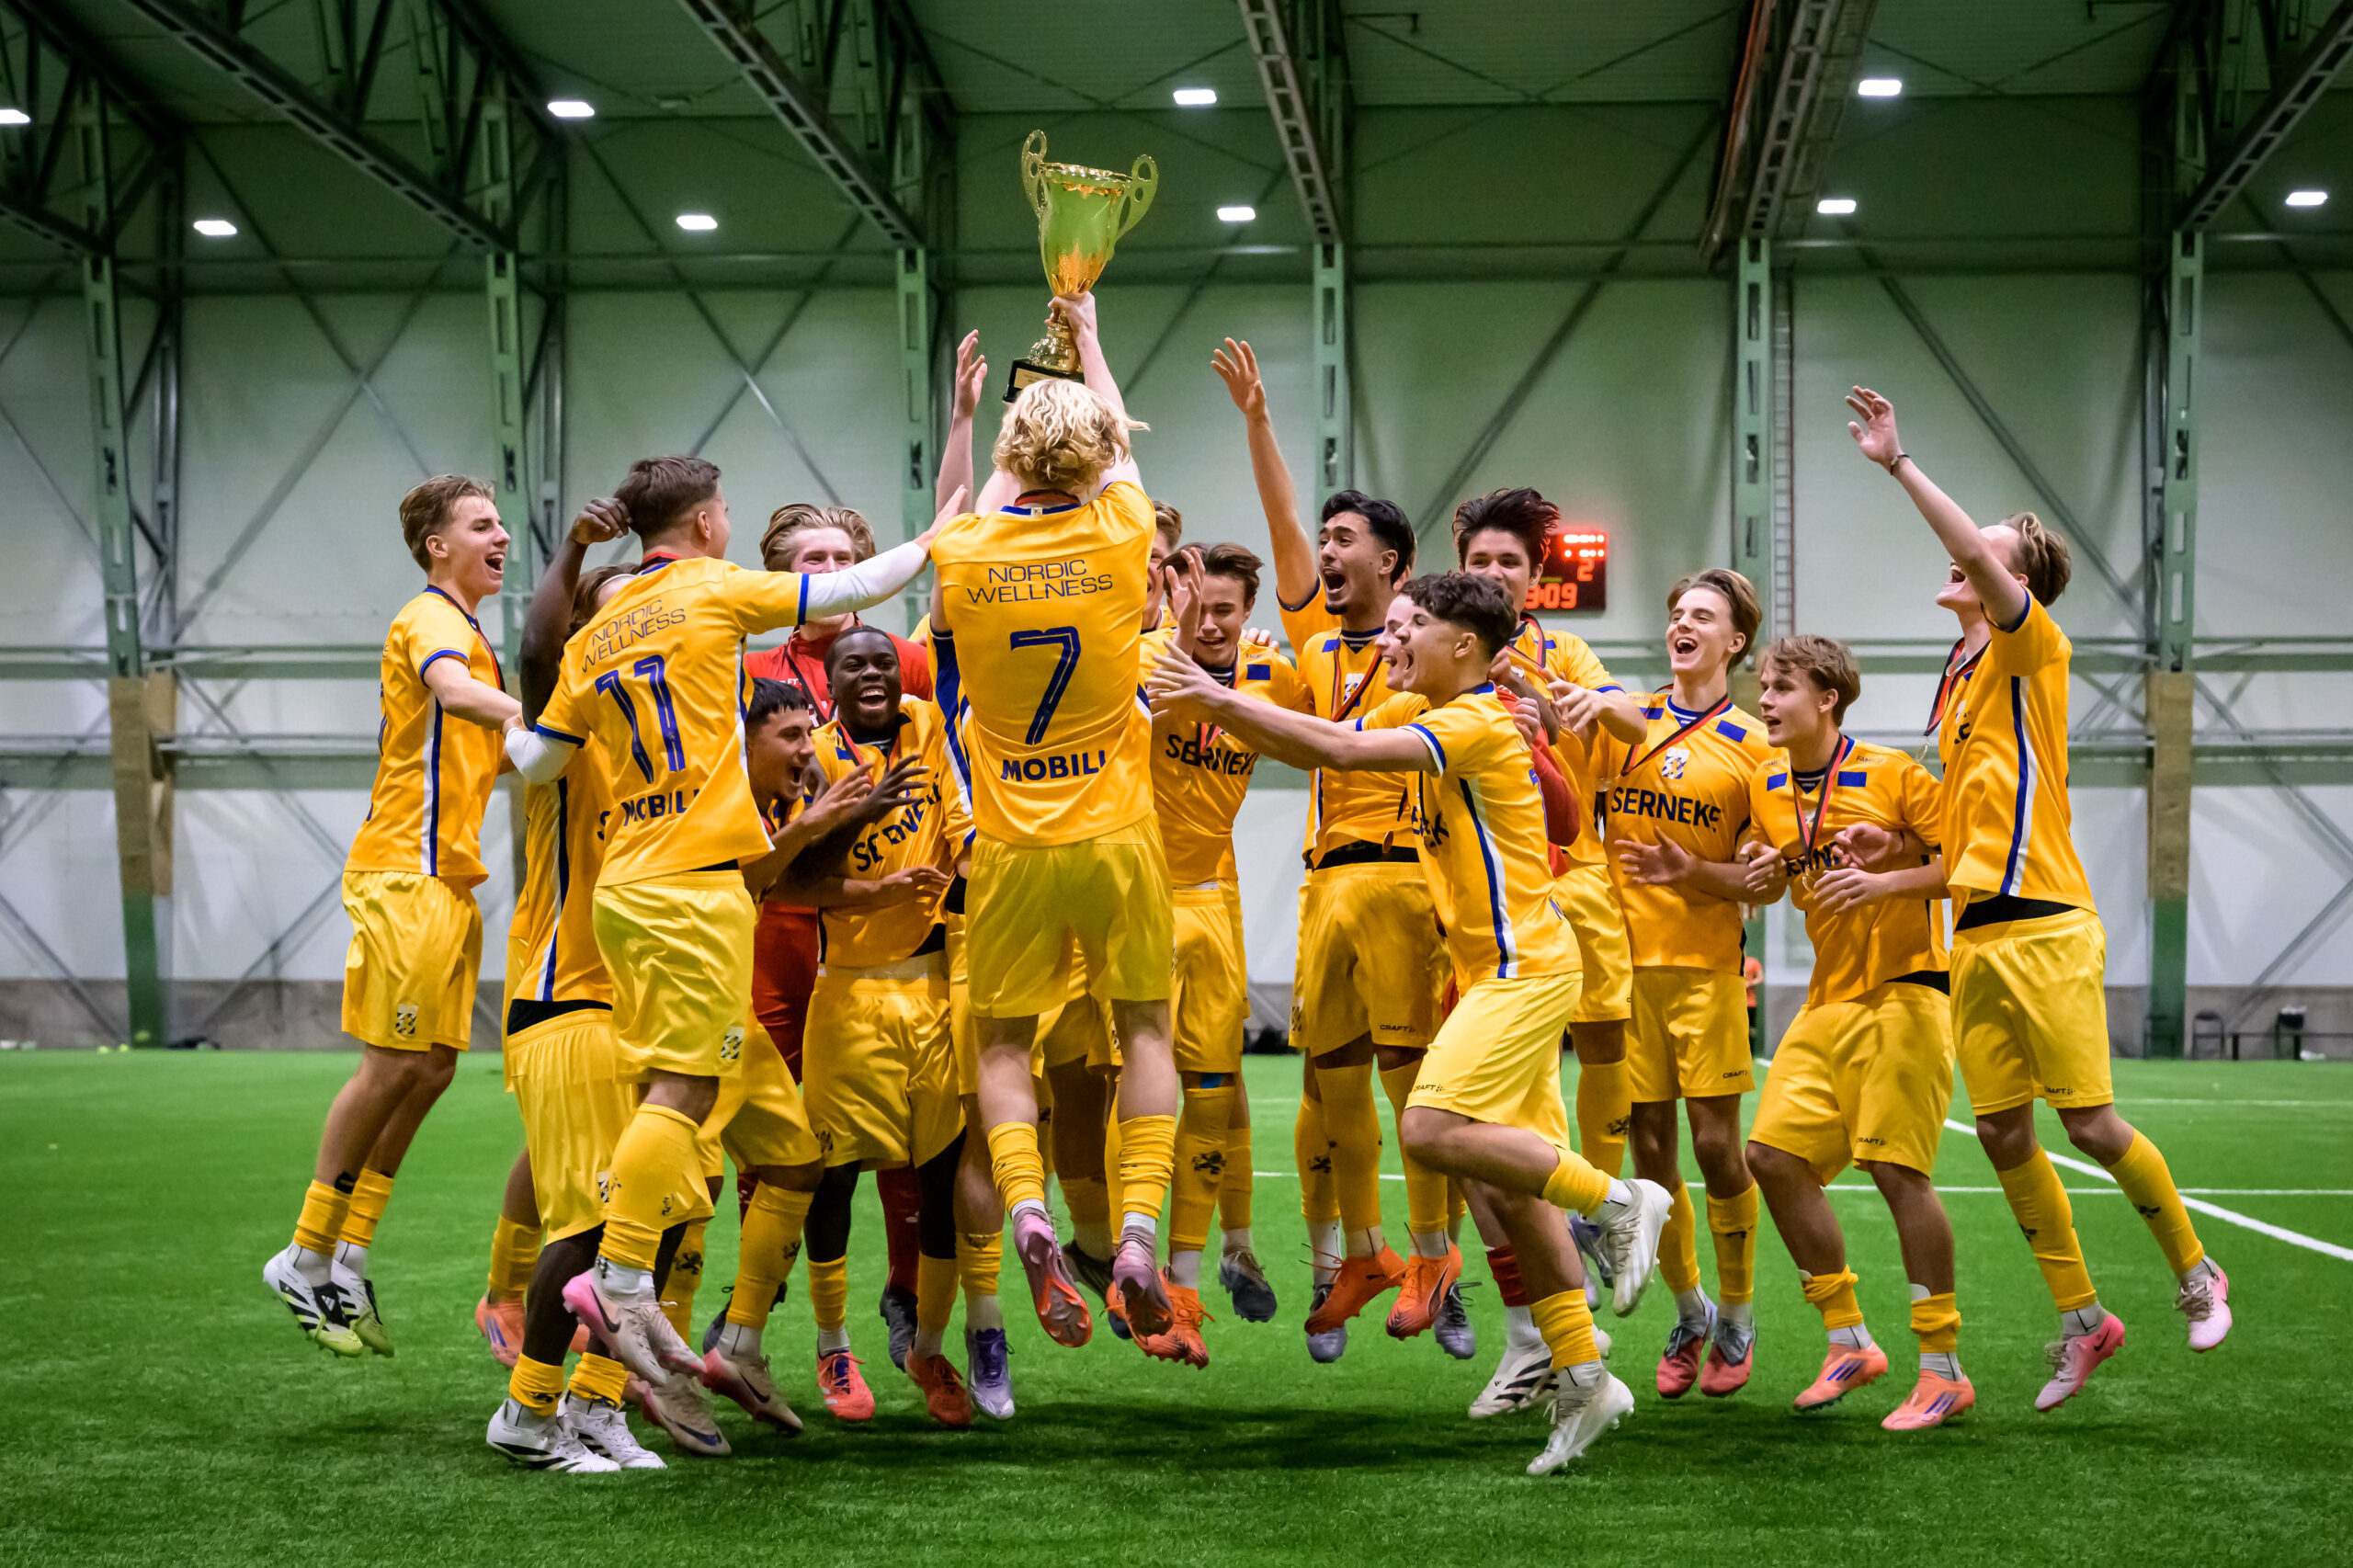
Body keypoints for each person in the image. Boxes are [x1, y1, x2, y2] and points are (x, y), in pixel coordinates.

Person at [1152, 571, 1671, 1476]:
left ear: (1462, 644)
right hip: (1494, 968)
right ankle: (1585, 1378)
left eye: (1412, 625)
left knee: (1428, 1129)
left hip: (1522, 966)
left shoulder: (1473, 718)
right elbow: (1324, 740)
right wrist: (1220, 699)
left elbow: (1342, 751)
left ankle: (1621, 1201)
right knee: (1513, 1187)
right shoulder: (1425, 704)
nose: (1393, 638)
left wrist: (1213, 697)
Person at [502, 455, 943, 1388]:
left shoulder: (598, 631)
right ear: (705, 523)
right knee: (685, 1095)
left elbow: (536, 760)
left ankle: (665, 1329)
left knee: (715, 1114)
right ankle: (618, 1278)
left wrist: (498, 724)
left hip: (624, 891)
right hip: (696, 885)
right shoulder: (710, 588)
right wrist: (947, 533)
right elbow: (858, 588)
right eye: (726, 511)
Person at [1845, 386, 2231, 1407]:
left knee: (2091, 1124)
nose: (1964, 555)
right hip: (1974, 935)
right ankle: (2083, 1320)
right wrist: (1890, 853)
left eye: (1986, 548)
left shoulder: (2028, 645)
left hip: (2049, 926)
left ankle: (2197, 1273)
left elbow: (1970, 552)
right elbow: (1961, 846)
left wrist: (1897, 462)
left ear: (2013, 580)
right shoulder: (1959, 682)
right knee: (2004, 1136)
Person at [927, 290, 1183, 1347]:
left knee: (1001, 1045)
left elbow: (957, 519)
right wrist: (1088, 338)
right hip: (1116, 833)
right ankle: (1136, 1232)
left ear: (1011, 457)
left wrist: (973, 420)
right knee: (1145, 1031)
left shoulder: (965, 553)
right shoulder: (1124, 532)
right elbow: (1117, 440)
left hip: (1011, 842)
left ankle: (1028, 1207)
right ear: (1095, 457)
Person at [1212, 335, 1450, 1363]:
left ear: (1391, 562)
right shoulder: (1314, 641)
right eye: (1326, 538)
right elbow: (1279, 528)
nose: (1325, 549)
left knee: (1416, 1091)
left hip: (1406, 883)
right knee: (1332, 1084)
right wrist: (1258, 422)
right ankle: (1356, 1256)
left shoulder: (1429, 643)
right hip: (1324, 889)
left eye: (1344, 537)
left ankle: (1435, 1261)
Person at [263, 475, 518, 1360]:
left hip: (448, 879)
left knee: (434, 1068)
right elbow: (456, 695)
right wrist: (545, 719)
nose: (502, 536)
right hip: (403, 872)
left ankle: (350, 1253)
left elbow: (486, 751)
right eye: (482, 524)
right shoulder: (432, 621)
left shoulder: (475, 635)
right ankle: (303, 1254)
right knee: (395, 1061)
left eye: (501, 523)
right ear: (436, 546)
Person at [1730, 635, 1972, 1429]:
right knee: (1771, 1157)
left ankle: (1943, 1368)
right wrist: (1756, 868)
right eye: (1764, 687)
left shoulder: (1896, 773)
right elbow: (1772, 870)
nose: (1766, 701)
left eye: (1781, 688)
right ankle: (1848, 1339)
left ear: (1827, 698)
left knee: (1898, 1172)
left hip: (1907, 991)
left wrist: (1886, 875)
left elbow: (1967, 865)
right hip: (1826, 999)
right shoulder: (1767, 783)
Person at [1452, 486, 1650, 1412]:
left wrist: (1571, 700)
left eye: (1510, 563)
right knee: (1469, 1123)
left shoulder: (1559, 651)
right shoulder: (1444, 646)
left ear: (1535, 580)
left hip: (1564, 885)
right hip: (1472, 900)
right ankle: (1547, 1313)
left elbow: (1629, 718)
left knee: (1585, 1058)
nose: (1494, 574)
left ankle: (1596, 1212)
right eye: (1480, 561)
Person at [778, 628, 991, 1426]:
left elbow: (965, 831)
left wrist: (975, 872)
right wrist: (863, 821)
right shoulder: (813, 758)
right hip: (850, 994)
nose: (871, 674)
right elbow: (792, 884)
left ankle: (928, 1348)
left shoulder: (930, 726)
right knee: (832, 1178)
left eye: (881, 662)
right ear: (828, 683)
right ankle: (833, 1344)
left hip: (935, 991)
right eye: (852, 665)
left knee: (941, 1178)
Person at [742, 502, 936, 1369]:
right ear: (782, 576)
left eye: (842, 556)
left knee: (903, 1128)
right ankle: (762, 1291)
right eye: (810, 559)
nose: (829, 571)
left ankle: (903, 1292)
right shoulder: (753, 671)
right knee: (771, 1118)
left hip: (883, 927)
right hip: (778, 921)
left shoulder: (904, 661)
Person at [1596, 568, 1775, 1399]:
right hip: (1622, 972)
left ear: (1734, 641)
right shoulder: (1625, 720)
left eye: (1701, 614)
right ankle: (1690, 1309)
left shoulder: (1756, 745)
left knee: (1715, 1149)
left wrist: (1691, 870)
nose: (1683, 623)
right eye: (1675, 611)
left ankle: (1737, 1316)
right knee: (1652, 1158)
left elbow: (1767, 881)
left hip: (1705, 971)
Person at [1138, 542, 1303, 1365]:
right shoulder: (1145, 658)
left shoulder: (1270, 675)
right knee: (1125, 1095)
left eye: (1225, 611)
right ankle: (1116, 1258)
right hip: (1132, 900)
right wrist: (1174, 630)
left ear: (1247, 613)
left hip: (1209, 901)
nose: (1208, 624)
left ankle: (1188, 1280)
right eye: (1197, 608)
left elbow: (1324, 735)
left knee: (1212, 1091)